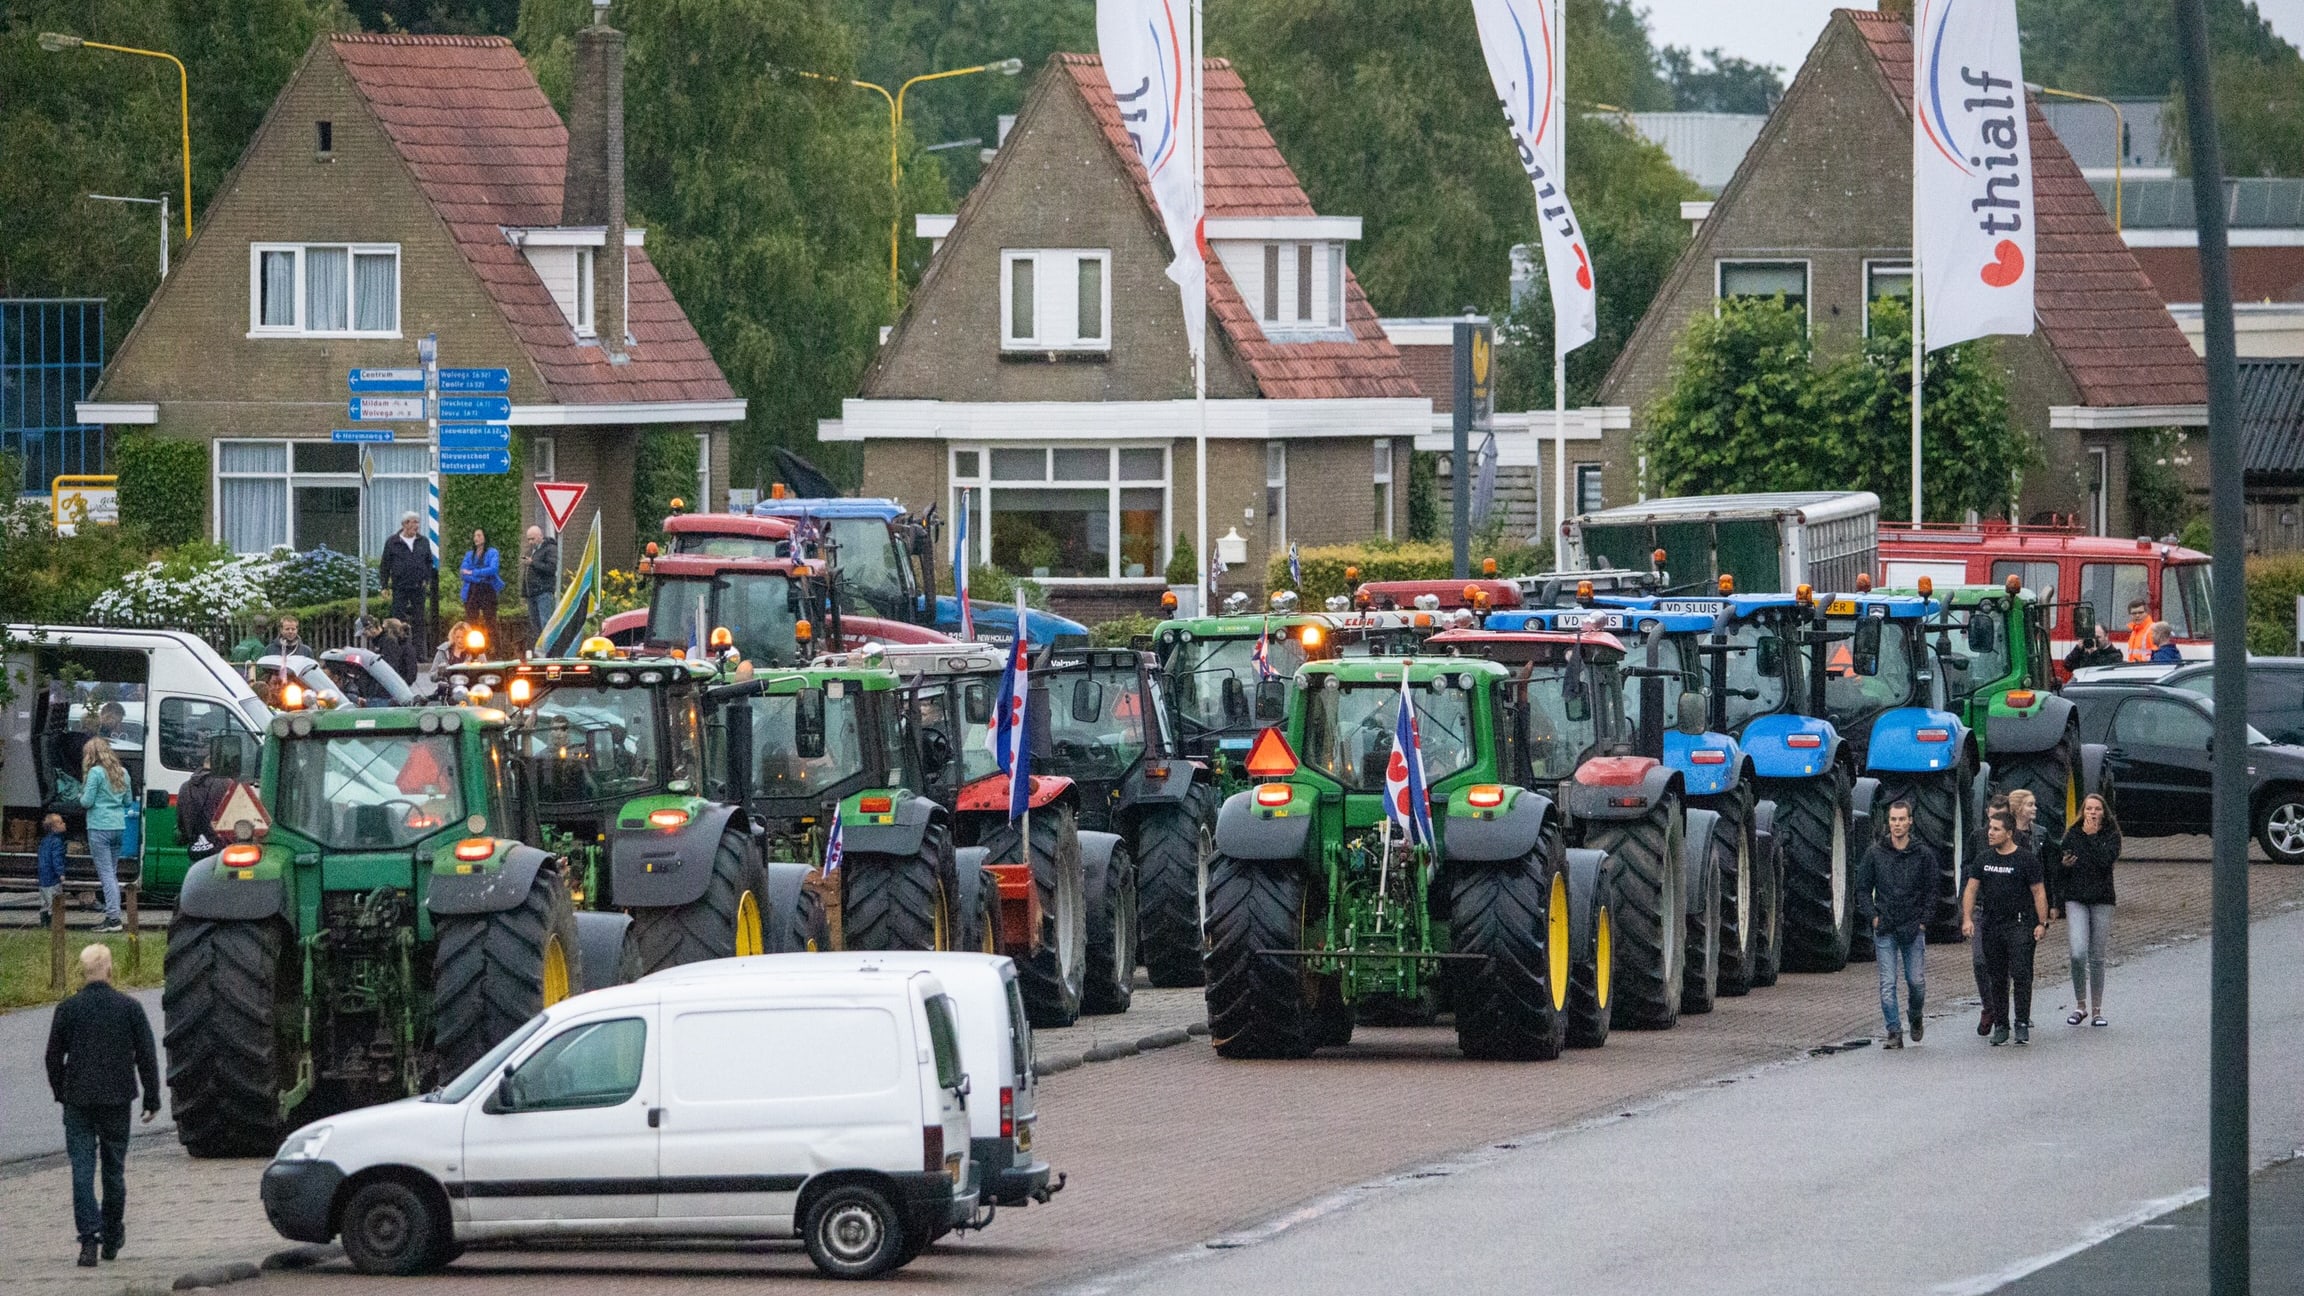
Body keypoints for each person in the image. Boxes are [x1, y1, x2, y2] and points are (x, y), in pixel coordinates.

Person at [45, 943, 160, 1267]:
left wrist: (60, 1091)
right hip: (116, 1099)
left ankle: (88, 1241)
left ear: (83, 971)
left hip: (78, 1100)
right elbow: (146, 1057)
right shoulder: (129, 1008)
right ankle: (111, 1236)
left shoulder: (68, 1009)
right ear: (110, 969)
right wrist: (151, 1098)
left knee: (81, 1170)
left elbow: (53, 1057)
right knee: (113, 1170)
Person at [1964, 810, 2049, 1046]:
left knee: (2021, 974)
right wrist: (1967, 919)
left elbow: (2038, 891)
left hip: (2020, 924)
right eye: (1990, 828)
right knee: (1997, 978)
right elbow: (1971, 889)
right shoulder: (1983, 859)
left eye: (1996, 829)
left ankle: (2022, 1023)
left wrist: (2042, 922)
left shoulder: (2026, 859)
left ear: (2009, 833)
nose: (1990, 833)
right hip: (1992, 925)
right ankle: (2001, 1025)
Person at [1856, 799, 1935, 1048]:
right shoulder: (1875, 853)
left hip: (1913, 927)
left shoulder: (1923, 854)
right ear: (1888, 822)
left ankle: (1915, 1016)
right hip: (1886, 928)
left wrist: (1924, 921)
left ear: (1910, 822)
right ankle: (1893, 1031)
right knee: (1887, 984)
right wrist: (1873, 916)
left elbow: (1933, 889)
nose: (1897, 824)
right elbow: (1862, 888)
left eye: (1902, 819)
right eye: (1893, 819)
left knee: (1916, 982)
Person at [2057, 792, 2121, 1027]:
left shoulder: (2111, 837)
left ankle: (2096, 1010)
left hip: (2102, 899)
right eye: (2088, 809)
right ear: (2082, 812)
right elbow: (2061, 866)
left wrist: (2093, 838)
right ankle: (2079, 1004)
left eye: (2097, 809)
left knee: (2097, 957)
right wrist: (2064, 866)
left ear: (2104, 813)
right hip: (2076, 898)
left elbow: (2106, 862)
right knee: (2077, 952)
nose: (2092, 813)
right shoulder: (2072, 835)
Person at [78, 739, 131, 934]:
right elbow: (127, 801)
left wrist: (79, 794)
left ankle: (113, 918)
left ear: (90, 755)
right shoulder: (123, 772)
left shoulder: (95, 773)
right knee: (112, 873)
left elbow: (87, 802)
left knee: (106, 875)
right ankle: (113, 914)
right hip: (119, 826)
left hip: (99, 826)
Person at [1969, 791, 2011, 1036]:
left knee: (2002, 965)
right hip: (1981, 909)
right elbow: (1967, 870)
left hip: (2005, 911)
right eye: (1993, 817)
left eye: (2001, 817)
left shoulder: (2015, 840)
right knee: (1979, 960)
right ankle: (1988, 1006)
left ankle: (2002, 1011)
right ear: (1987, 814)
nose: (1994, 825)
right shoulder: (1977, 838)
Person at [379, 512, 436, 656]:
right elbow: (385, 565)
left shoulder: (423, 541)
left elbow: (429, 562)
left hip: (418, 587)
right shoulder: (392, 542)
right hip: (400, 587)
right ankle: (398, 651)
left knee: (419, 620)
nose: (415, 526)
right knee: (398, 620)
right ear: (404, 524)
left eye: (417, 522)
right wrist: (384, 586)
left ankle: (419, 653)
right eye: (413, 522)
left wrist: (426, 579)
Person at [174, 740, 237, 863]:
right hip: (220, 851)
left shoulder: (185, 786)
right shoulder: (226, 784)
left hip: (195, 849)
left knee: (196, 879)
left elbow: (181, 822)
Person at [460, 528, 503, 642]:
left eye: (479, 535)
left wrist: (474, 572)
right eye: (475, 536)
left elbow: (493, 569)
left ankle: (495, 650)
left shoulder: (492, 552)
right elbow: (464, 573)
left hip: (487, 590)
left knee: (490, 620)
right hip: (472, 590)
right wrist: (479, 577)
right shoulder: (469, 554)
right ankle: (472, 649)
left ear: (485, 537)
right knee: (471, 621)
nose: (476, 538)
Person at [522, 525, 559, 642]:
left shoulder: (550, 549)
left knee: (545, 623)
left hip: (543, 592)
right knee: (535, 626)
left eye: (532, 539)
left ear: (540, 536)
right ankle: (540, 652)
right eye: (528, 539)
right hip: (531, 593)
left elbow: (551, 568)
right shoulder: (532, 551)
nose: (530, 542)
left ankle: (549, 652)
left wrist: (532, 563)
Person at [37, 813, 69, 927]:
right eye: (60, 822)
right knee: (54, 901)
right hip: (52, 877)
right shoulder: (57, 842)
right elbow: (57, 858)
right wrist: (60, 873)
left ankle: (44, 923)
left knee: (44, 901)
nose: (64, 823)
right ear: (54, 828)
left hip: (43, 877)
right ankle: (54, 924)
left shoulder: (44, 841)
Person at [375, 617, 420, 690]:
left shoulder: (399, 646)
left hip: (398, 685)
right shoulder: (403, 645)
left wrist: (402, 682)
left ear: (389, 631)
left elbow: (410, 670)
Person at [2122, 598, 2153, 663]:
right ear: (2130, 615)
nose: (2137, 615)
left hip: (2147, 669)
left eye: (2140, 612)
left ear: (2147, 613)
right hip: (2136, 669)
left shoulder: (2153, 629)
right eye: (2134, 613)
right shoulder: (2134, 631)